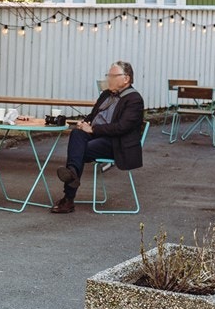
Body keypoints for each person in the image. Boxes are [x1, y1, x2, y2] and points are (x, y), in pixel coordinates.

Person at [51, 61, 145, 215]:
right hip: (96, 136)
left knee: (80, 150)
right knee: (76, 133)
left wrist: (93, 129)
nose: (109, 79)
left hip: (117, 144)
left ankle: (68, 197)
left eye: (112, 76)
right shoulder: (106, 94)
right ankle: (73, 174)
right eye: (108, 75)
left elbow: (122, 127)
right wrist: (85, 123)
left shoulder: (134, 100)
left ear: (126, 79)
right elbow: (94, 115)